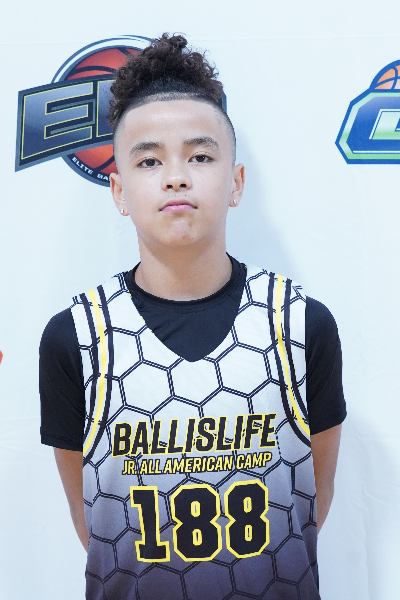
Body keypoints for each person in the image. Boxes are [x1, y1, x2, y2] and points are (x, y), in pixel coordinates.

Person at [39, 33, 346, 600]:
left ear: (235, 183)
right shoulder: (75, 338)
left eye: (200, 156)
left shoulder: (302, 325)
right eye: (149, 160)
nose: (175, 176)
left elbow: (311, 504)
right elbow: (95, 525)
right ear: (118, 191)